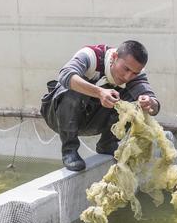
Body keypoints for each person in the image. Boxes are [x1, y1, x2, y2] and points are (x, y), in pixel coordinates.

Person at [40, 40, 160, 171]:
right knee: (71, 89)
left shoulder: (136, 74)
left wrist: (149, 103)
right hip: (58, 116)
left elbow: (154, 105)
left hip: (92, 120)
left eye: (134, 73)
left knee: (135, 103)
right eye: (125, 69)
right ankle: (69, 150)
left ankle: (107, 143)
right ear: (114, 57)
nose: (127, 76)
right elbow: (65, 75)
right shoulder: (91, 56)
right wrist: (99, 92)